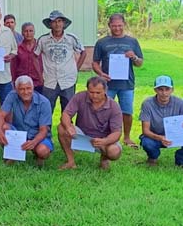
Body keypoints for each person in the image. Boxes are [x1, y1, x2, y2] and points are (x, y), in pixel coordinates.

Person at [92, 13, 144, 148]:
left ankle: (126, 137)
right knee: (103, 110)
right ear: (109, 25)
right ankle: (105, 135)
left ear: (124, 25)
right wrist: (101, 74)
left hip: (126, 84)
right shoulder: (102, 42)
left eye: (120, 25)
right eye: (114, 26)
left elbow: (140, 63)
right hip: (107, 84)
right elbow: (95, 62)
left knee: (127, 111)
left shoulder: (132, 42)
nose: (117, 28)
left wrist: (134, 57)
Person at [58, 77, 123, 170]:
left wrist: (104, 141)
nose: (94, 96)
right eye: (91, 92)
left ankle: (104, 159)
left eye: (98, 93)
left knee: (114, 152)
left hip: (103, 139)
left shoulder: (114, 106)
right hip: (83, 135)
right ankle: (70, 161)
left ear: (105, 91)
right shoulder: (80, 96)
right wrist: (68, 127)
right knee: (61, 127)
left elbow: (117, 133)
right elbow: (66, 114)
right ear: (87, 90)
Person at [139, 76, 183, 171]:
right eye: (160, 89)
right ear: (155, 90)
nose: (164, 93)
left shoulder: (179, 102)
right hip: (156, 136)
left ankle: (182, 160)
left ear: (172, 90)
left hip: (175, 136)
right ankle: (152, 157)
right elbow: (145, 131)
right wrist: (160, 138)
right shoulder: (147, 104)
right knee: (147, 142)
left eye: (167, 89)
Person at [0, 75, 54, 167]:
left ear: (33, 88)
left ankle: (38, 156)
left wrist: (34, 142)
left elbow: (44, 130)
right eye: (22, 89)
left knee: (42, 151)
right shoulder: (12, 95)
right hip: (19, 133)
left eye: (28, 88)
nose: (26, 92)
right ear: (16, 90)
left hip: (37, 135)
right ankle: (12, 155)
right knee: (3, 127)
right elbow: (0, 116)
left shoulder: (44, 102)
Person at [36, 10, 85, 112]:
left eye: (59, 21)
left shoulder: (71, 39)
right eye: (54, 21)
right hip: (49, 81)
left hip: (68, 81)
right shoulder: (43, 40)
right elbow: (34, 56)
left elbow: (83, 53)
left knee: (68, 111)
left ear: (63, 23)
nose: (57, 24)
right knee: (46, 111)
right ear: (50, 24)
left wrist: (76, 69)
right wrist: (40, 75)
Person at [10, 22, 43, 93]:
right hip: (22, 83)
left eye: (31, 31)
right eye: (26, 31)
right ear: (22, 33)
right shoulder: (18, 48)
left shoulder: (40, 47)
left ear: (34, 32)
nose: (28, 33)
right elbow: (13, 68)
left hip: (38, 83)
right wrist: (14, 82)